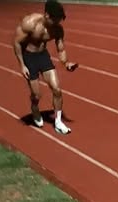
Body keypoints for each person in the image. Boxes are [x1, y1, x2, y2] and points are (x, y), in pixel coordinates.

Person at [13, 0, 78, 135]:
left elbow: (61, 49)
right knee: (37, 95)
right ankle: (34, 107)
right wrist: (22, 65)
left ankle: (58, 122)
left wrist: (66, 63)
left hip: (43, 56)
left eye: (59, 20)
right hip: (29, 57)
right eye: (55, 20)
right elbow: (17, 43)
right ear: (47, 15)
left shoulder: (57, 29)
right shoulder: (30, 23)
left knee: (57, 89)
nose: (57, 23)